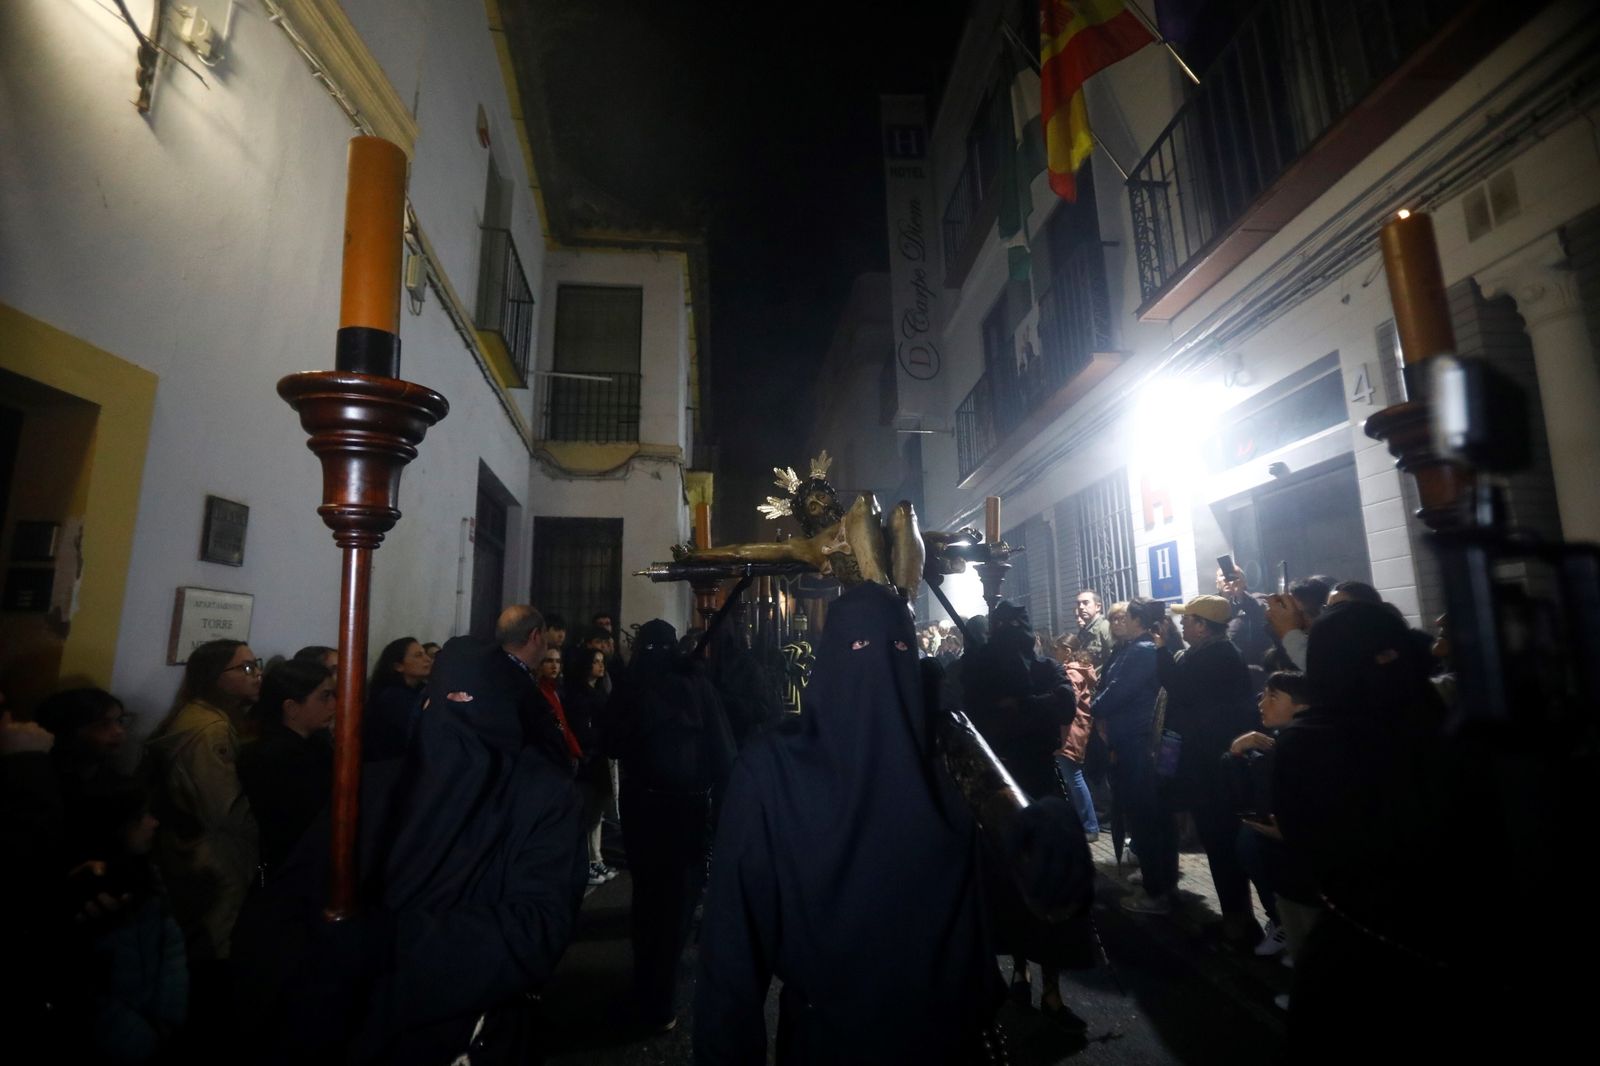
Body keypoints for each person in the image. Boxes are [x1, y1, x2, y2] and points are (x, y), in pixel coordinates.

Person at [233, 627, 589, 1066]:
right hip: (352, 1024)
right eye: (449, 702)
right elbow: (291, 900)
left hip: (464, 1027)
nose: (462, 721)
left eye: (476, 702)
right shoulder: (374, 789)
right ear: (427, 705)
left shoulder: (542, 797)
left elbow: (535, 928)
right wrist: (318, 945)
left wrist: (390, 942)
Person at [695, 583, 1004, 1062]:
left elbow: (1000, 892)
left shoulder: (953, 761)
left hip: (950, 1039)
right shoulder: (775, 771)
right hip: (832, 1042)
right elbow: (734, 941)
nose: (878, 666)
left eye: (897, 648)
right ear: (832, 660)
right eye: (858, 647)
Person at [962, 602, 1091, 1032]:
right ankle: (1022, 971)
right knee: (1011, 884)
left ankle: (1048, 985)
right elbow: (974, 712)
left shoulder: (1046, 668)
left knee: (1044, 881)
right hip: (1001, 786)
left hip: (1036, 784)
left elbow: (1063, 704)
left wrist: (1018, 704)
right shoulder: (983, 669)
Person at [607, 619, 735, 1032]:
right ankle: (661, 995)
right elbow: (721, 751)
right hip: (686, 811)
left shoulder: (632, 685)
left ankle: (648, 988)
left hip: (645, 809)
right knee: (678, 901)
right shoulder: (695, 685)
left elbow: (610, 741)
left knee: (648, 899)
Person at [1155, 596, 1263, 948]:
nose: (1183, 626)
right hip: (1204, 765)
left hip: (1213, 770)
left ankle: (1240, 925)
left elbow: (1182, 688)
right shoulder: (1205, 653)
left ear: (1203, 625)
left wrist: (1161, 649)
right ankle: (1235, 920)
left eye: (1188, 621)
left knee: (1223, 845)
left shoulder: (1218, 656)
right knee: (1217, 845)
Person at [144, 640, 261, 966]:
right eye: (246, 668)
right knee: (218, 943)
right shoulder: (211, 730)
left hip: (193, 848)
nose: (257, 674)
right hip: (215, 853)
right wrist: (265, 830)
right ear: (215, 676)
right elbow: (226, 808)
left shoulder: (201, 715)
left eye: (257, 664)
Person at [1094, 600, 1175, 912]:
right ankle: (1156, 878)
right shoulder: (1132, 648)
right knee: (1144, 816)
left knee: (1147, 816)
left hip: (1139, 743)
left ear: (1138, 620)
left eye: (1125, 617)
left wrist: (1096, 705)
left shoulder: (1142, 651)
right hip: (1130, 741)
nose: (1119, 622)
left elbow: (1116, 691)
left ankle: (1158, 892)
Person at [238, 660, 335, 876]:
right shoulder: (271, 758)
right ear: (291, 707)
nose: (333, 705)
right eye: (324, 696)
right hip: (294, 868)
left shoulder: (315, 745)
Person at [563, 645, 616, 884]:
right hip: (588, 758)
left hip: (599, 756)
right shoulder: (578, 695)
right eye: (595, 661)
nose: (600, 665)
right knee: (586, 811)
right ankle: (583, 862)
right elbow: (584, 727)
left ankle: (594, 859)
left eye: (602, 661)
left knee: (596, 812)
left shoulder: (599, 693)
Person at [364, 636, 432, 761]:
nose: (427, 659)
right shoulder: (392, 697)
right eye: (418, 655)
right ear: (398, 666)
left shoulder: (420, 690)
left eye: (425, 654)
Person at [1218, 565, 1273, 667]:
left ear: (1244, 582)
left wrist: (1240, 595)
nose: (1227, 578)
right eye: (1222, 575)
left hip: (1254, 664)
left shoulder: (1258, 600)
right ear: (1217, 583)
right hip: (1223, 664)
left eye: (1234, 575)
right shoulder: (1211, 606)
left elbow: (1261, 612)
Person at [1070, 590, 1114, 667]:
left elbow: (1115, 659)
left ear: (1098, 607)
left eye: (1085, 603)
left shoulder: (1105, 627)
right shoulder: (1083, 631)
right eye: (1078, 603)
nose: (1081, 607)